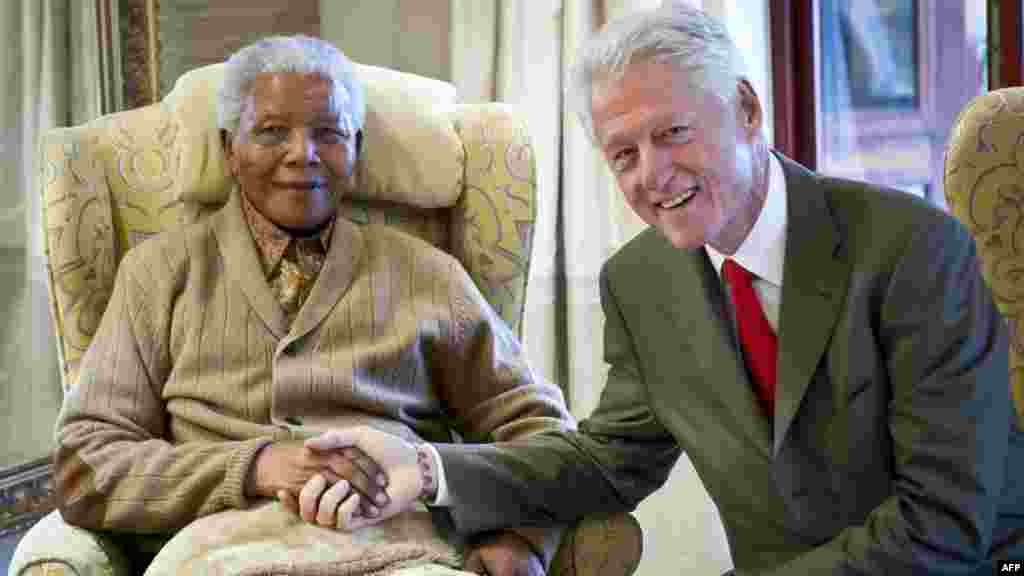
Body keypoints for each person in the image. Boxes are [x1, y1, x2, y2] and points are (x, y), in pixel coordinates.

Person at [301, 5, 1024, 575]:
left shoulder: (913, 249)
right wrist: (428, 470)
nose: (651, 174)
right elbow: (608, 462)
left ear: (746, 109)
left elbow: (943, 523)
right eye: (623, 154)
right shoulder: (641, 281)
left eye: (673, 132)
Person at [33, 35, 573, 576]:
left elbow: (542, 434)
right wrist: (256, 466)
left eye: (328, 133)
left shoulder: (428, 274)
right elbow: (85, 464)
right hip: (216, 555)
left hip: (399, 553)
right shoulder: (157, 274)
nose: (302, 153)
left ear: (356, 149)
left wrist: (520, 539)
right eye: (271, 132)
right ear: (229, 148)